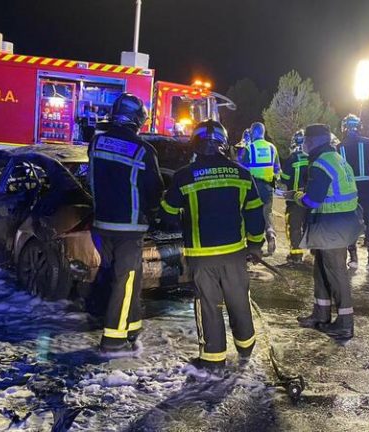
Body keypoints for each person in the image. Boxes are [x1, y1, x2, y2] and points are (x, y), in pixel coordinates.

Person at [161, 119, 265, 372]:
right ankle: (245, 345)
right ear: (223, 144)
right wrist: (255, 245)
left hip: (201, 255)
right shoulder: (241, 173)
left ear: (195, 145)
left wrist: (169, 208)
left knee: (208, 305)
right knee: (239, 299)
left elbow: (168, 213)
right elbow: (254, 212)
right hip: (235, 253)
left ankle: (213, 358)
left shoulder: (184, 176)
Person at [88, 93, 164, 354]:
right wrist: (153, 212)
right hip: (129, 227)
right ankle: (113, 339)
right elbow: (154, 189)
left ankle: (131, 326)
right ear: (138, 119)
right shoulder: (143, 149)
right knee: (127, 279)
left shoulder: (96, 143)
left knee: (122, 275)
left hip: (101, 224)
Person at [286, 124, 362, 341]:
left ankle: (345, 323)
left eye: (307, 141)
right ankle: (320, 314)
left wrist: (295, 196)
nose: (305, 145)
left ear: (314, 141)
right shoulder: (335, 158)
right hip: (339, 222)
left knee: (336, 272)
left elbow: (312, 199)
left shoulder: (320, 164)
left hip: (333, 224)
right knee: (320, 269)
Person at [338, 114, 369, 272]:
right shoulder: (368, 143)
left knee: (348, 222)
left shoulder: (339, 147)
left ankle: (352, 259)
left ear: (344, 128)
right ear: (359, 127)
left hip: (347, 190)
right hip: (365, 189)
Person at [240, 122, 280, 256]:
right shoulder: (272, 148)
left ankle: (253, 247)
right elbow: (277, 169)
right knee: (267, 214)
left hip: (253, 187)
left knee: (252, 215)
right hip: (268, 187)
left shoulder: (249, 148)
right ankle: (270, 234)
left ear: (254, 132)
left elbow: (242, 169)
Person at [279, 129, 309, 264]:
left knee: (294, 226)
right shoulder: (311, 157)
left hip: (294, 199)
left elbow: (284, 179)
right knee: (309, 224)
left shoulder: (292, 159)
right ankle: (314, 251)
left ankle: (296, 255)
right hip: (311, 198)